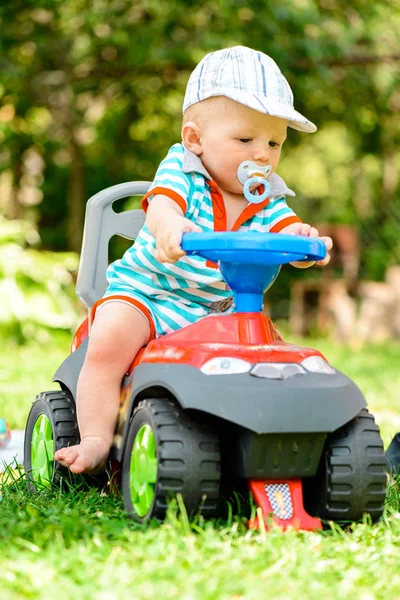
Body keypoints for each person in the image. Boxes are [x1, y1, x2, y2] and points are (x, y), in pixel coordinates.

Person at [55, 46, 333, 474]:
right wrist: (169, 229)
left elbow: (284, 234)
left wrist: (303, 243)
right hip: (149, 293)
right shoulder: (183, 171)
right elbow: (164, 206)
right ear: (194, 139)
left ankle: (261, 439)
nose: (262, 154)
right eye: (246, 139)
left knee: (273, 362)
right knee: (109, 337)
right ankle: (94, 438)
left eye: (275, 142)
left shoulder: (268, 196)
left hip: (218, 311)